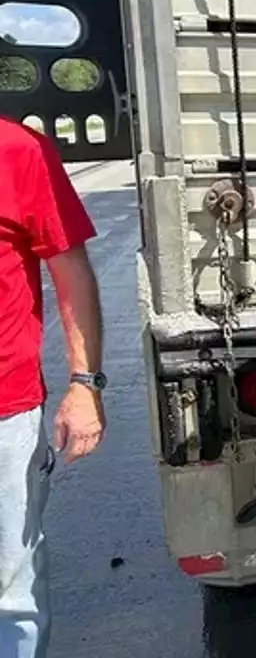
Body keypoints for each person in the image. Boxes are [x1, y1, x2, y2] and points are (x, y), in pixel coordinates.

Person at [0, 116, 108, 658]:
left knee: (8, 591)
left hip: (4, 411)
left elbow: (71, 271)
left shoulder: (19, 150)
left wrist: (84, 383)